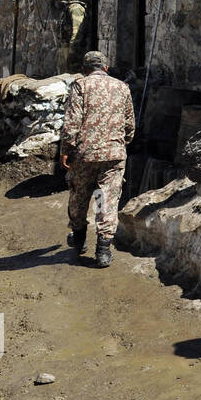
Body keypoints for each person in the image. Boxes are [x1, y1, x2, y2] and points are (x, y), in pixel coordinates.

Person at [60, 50, 134, 267]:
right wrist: (122, 142)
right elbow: (130, 123)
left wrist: (66, 148)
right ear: (106, 68)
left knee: (79, 195)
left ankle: (79, 238)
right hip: (114, 154)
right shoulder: (122, 87)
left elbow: (72, 121)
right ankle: (103, 249)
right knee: (106, 198)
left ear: (84, 69)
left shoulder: (80, 86)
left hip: (85, 154)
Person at [53, 0, 88, 75]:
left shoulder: (76, 8)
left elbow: (77, 31)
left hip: (73, 49)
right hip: (67, 47)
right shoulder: (68, 8)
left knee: (73, 74)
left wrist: (72, 50)